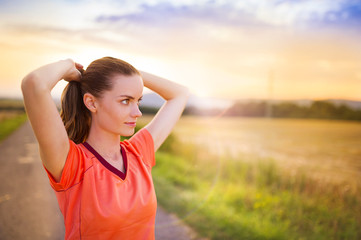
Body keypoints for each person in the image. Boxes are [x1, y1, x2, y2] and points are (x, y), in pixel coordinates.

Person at [21, 57, 190, 239]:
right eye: (126, 101)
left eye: (138, 101)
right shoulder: (72, 164)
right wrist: (68, 67)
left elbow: (180, 93)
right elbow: (34, 83)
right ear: (92, 103)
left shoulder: (138, 153)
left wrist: (132, 75)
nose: (137, 112)